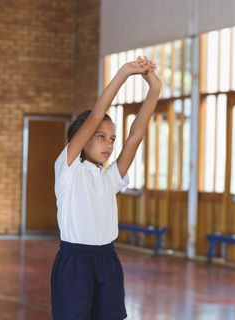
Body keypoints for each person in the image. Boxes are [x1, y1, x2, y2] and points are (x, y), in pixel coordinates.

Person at [51, 56, 161, 320]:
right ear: (82, 137)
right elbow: (98, 113)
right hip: (74, 264)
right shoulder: (68, 170)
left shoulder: (109, 177)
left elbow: (135, 135)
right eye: (100, 137)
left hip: (107, 261)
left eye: (111, 139)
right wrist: (124, 72)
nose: (109, 145)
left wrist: (154, 89)